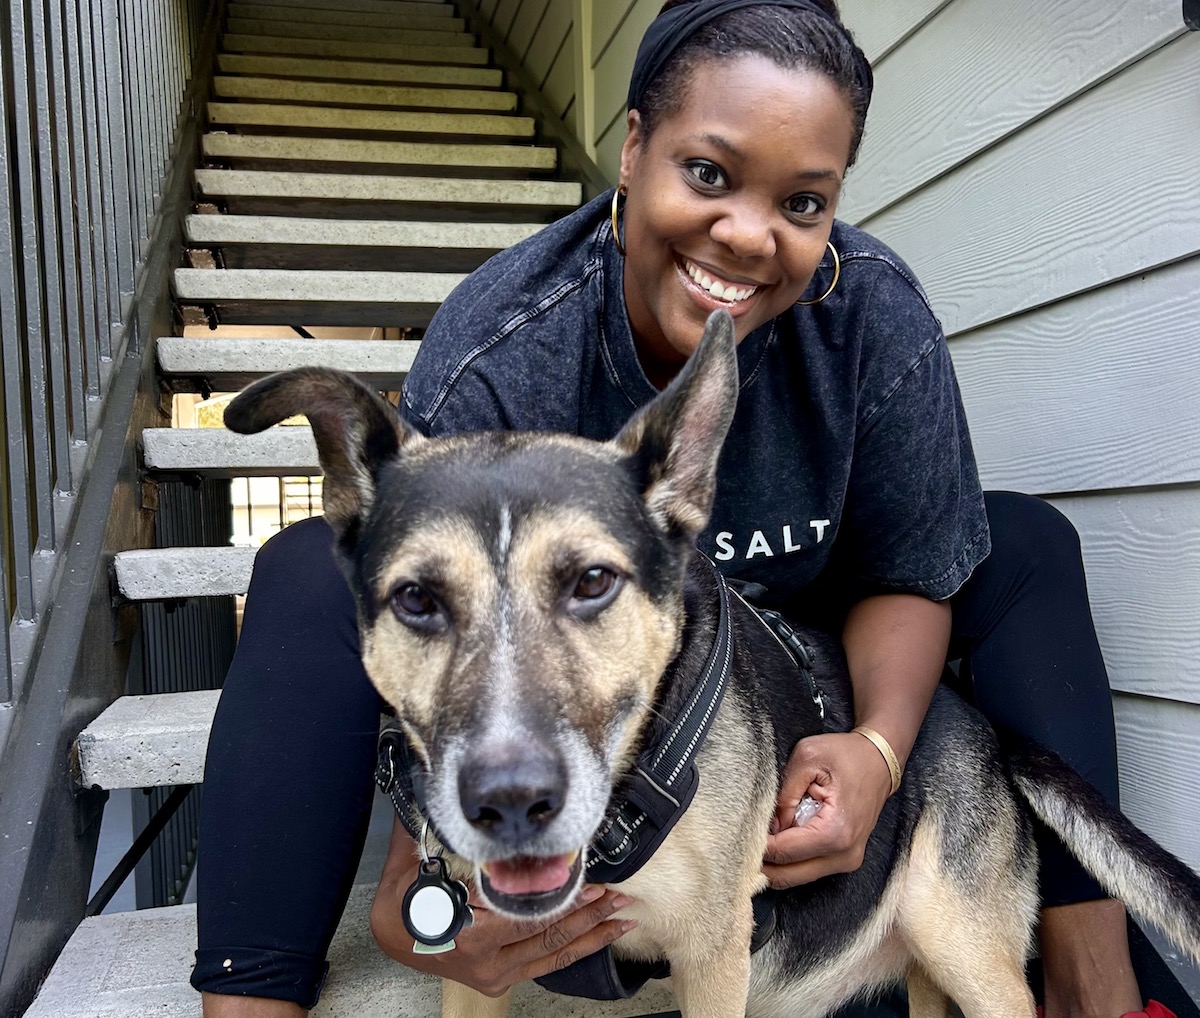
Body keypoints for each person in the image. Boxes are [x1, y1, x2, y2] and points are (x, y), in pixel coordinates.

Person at [191, 2, 1171, 1016]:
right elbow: (443, 602)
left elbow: (910, 571)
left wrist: (877, 751)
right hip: (595, 650)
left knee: (1027, 542)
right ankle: (253, 990)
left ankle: (1094, 981)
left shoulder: (875, 317)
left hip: (801, 639)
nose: (748, 234)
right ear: (631, 149)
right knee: (311, 562)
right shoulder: (503, 345)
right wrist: (419, 878)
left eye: (802, 202)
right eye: (708, 172)